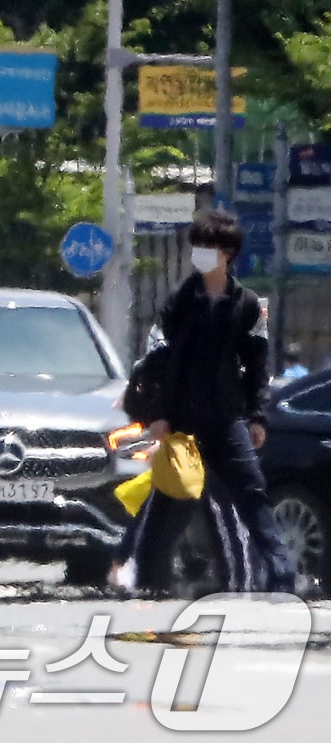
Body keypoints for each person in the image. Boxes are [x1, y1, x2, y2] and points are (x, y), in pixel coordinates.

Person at [113, 210, 297, 596]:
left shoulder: (247, 304)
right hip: (182, 420)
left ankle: (281, 575)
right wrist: (158, 414)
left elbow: (257, 366)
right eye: (197, 246)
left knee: (252, 493)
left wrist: (257, 416)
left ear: (227, 253)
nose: (200, 254)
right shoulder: (180, 302)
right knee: (166, 496)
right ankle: (135, 570)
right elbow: (156, 358)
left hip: (227, 420)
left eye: (208, 247)